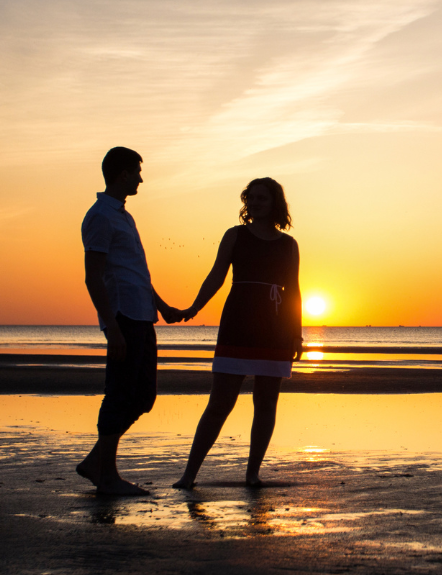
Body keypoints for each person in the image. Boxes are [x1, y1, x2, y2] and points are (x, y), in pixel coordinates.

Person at [172, 177, 302, 489]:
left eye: (262, 198)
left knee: (266, 404)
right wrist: (194, 307)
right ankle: (188, 475)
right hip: (238, 322)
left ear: (275, 204)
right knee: (219, 403)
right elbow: (216, 275)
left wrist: (296, 333)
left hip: (275, 327)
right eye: (251, 198)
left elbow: (295, 290)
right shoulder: (235, 236)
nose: (255, 203)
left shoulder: (288, 244)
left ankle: (252, 473)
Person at [77, 146, 184, 496]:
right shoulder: (100, 216)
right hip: (123, 316)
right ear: (122, 173)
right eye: (137, 171)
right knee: (119, 396)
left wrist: (163, 306)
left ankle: (97, 461)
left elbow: (135, 271)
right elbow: (94, 277)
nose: (141, 177)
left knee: (143, 398)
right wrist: (111, 328)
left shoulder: (124, 216)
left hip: (142, 315)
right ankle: (107, 475)